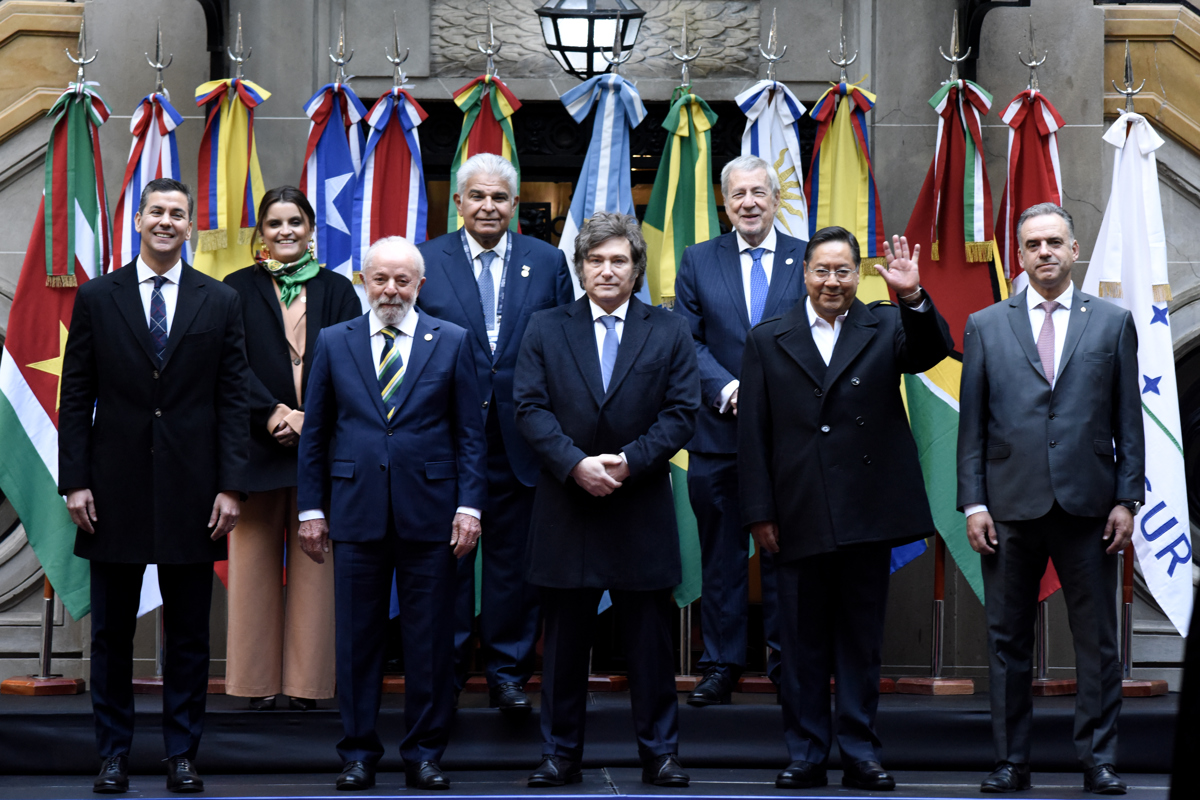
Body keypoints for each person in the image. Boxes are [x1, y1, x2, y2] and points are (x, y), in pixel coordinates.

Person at [738, 225, 953, 791]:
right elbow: (753, 434)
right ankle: (806, 752)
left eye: (843, 271)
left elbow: (931, 352)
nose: (832, 281)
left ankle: (860, 751)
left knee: (860, 642)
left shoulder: (885, 324)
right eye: (822, 270)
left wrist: (912, 296)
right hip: (796, 511)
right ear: (804, 274)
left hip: (867, 510)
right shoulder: (768, 337)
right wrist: (759, 512)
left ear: (858, 275)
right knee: (801, 643)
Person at [58, 177, 250, 794]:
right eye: (156, 212)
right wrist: (75, 481)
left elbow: (232, 398)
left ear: (191, 225)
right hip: (111, 492)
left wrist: (232, 487)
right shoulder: (96, 297)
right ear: (137, 220)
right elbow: (77, 394)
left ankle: (181, 755)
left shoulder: (218, 301)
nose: (166, 221)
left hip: (197, 494)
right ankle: (113, 753)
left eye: (178, 213)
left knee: (190, 634)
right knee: (113, 634)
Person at [957, 203, 1144, 796]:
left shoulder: (1112, 323)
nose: (1044, 252)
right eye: (1033, 243)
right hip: (1008, 508)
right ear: (1019, 254)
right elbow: (973, 428)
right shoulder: (986, 325)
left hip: (1090, 508)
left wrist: (1127, 499)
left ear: (1074, 247)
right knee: (1006, 640)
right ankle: (1012, 761)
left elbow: (1127, 422)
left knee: (1096, 642)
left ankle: (1098, 761)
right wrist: (973, 503)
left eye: (1054, 242)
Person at [514, 212, 699, 789]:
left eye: (619, 259)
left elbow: (682, 412)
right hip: (567, 506)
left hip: (637, 503)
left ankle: (660, 755)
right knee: (565, 645)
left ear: (637, 268)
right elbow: (529, 408)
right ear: (580, 268)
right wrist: (575, 464)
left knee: (648, 644)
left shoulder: (668, 330)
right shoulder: (545, 327)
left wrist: (629, 461)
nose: (607, 269)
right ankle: (559, 755)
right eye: (595, 260)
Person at [296, 235, 486, 791]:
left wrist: (469, 506)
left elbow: (470, 435)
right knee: (357, 642)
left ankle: (424, 754)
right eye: (380, 278)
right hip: (354, 514)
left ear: (420, 286)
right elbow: (317, 435)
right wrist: (312, 508)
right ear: (364, 281)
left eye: (403, 280)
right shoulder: (334, 341)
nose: (391, 289)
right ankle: (358, 754)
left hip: (432, 515)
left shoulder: (451, 341)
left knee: (429, 644)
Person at [416, 153, 573, 714]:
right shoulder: (426, 260)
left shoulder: (548, 261)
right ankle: (450, 670)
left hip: (521, 438)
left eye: (499, 198)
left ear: (514, 204)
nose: (488, 206)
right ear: (458, 202)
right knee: (446, 559)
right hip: (443, 437)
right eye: (477, 196)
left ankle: (508, 673)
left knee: (513, 564)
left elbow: (563, 346)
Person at [222, 187, 361, 711]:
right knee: (254, 569)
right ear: (261, 233)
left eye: (295, 222)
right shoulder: (234, 289)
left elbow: (353, 363)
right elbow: (228, 365)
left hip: (319, 450)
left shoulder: (340, 290)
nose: (285, 232)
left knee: (315, 568)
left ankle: (307, 685)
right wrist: (275, 413)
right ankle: (255, 685)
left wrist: (309, 418)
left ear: (310, 230)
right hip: (256, 448)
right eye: (275, 223)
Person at [673, 154, 805, 703]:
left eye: (758, 192)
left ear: (776, 200)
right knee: (722, 556)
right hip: (717, 435)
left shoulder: (808, 259)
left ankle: (786, 661)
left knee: (786, 553)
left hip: (791, 438)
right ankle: (721, 664)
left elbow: (821, 332)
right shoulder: (699, 259)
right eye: (737, 195)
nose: (748, 203)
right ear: (724, 204)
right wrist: (729, 389)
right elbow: (686, 338)